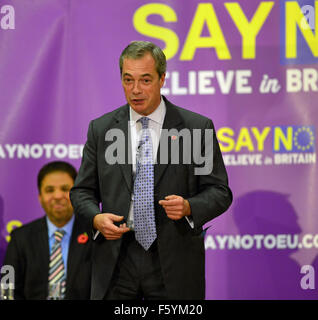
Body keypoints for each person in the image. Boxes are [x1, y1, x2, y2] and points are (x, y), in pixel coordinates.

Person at [70, 41, 232, 300]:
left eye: (145, 80)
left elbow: (220, 191)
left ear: (162, 78)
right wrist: (96, 218)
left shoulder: (195, 128)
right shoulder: (100, 130)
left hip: (173, 259)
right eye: (128, 80)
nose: (135, 90)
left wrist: (190, 206)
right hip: (116, 259)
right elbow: (82, 192)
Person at [3, 161, 92, 300]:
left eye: (65, 189)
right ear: (40, 197)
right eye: (50, 190)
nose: (57, 196)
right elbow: (8, 290)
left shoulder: (95, 235)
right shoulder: (20, 238)